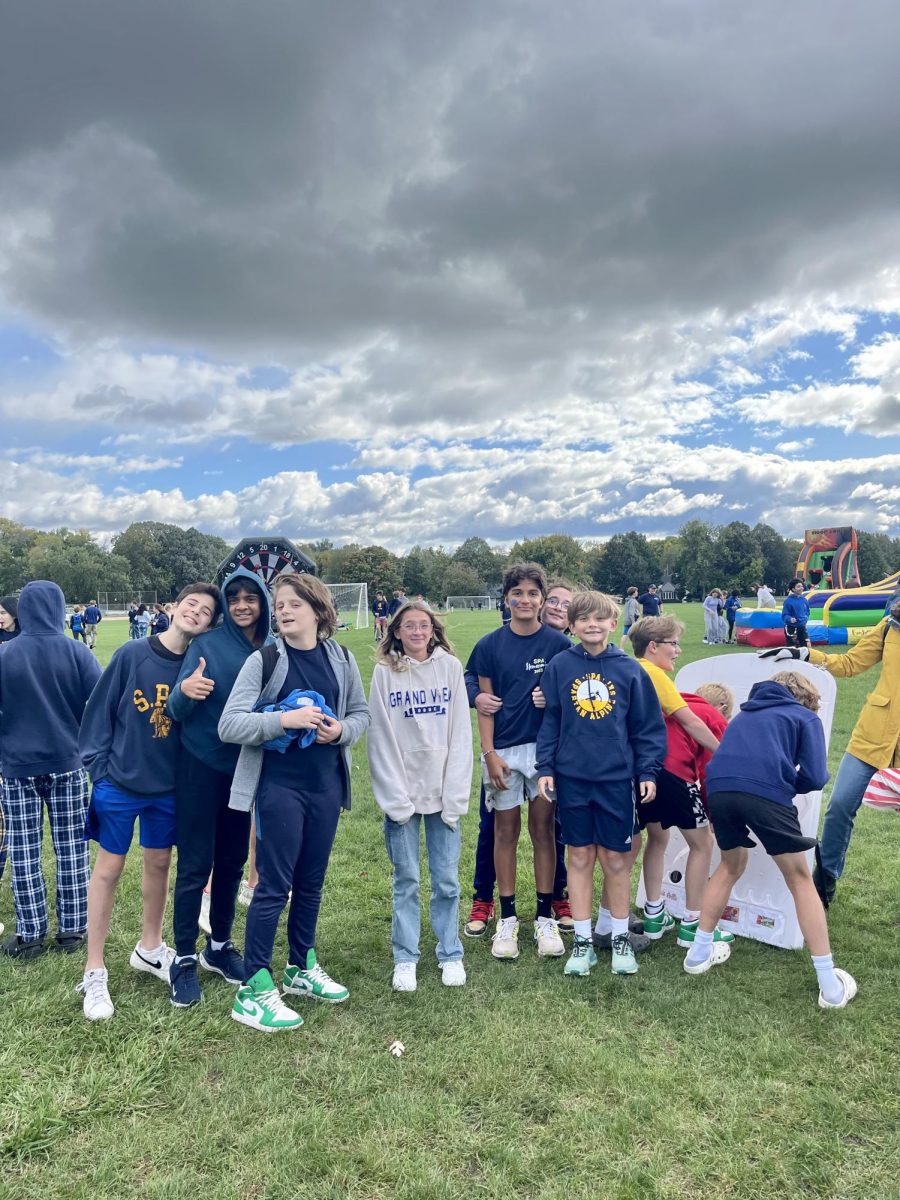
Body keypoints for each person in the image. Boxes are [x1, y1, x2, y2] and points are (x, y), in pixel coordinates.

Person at [219, 573, 368, 1033]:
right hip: (278, 789)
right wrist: (285, 719)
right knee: (273, 887)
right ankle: (254, 988)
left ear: (318, 611)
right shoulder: (263, 660)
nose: (283, 612)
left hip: (325, 786)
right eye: (279, 605)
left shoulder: (341, 658)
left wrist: (340, 730)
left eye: (293, 605)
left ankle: (301, 967)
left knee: (311, 882)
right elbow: (229, 724)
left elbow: (361, 714)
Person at [77, 584, 220, 1019]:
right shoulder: (132, 654)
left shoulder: (201, 666)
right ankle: (94, 970)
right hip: (119, 784)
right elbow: (97, 712)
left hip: (167, 789)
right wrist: (99, 772)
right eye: (190, 603)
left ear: (210, 625)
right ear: (175, 608)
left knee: (159, 865)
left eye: (206, 611)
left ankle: (150, 946)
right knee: (108, 869)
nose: (195, 611)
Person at [684, 671, 856, 1010]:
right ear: (808, 699)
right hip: (765, 794)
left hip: (718, 790)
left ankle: (697, 953)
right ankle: (829, 986)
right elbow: (817, 776)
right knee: (799, 877)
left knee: (729, 866)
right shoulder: (804, 717)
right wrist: (786, 783)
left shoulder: (744, 714)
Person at [535, 591, 666, 977]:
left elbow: (647, 728)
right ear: (572, 626)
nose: (592, 625)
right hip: (573, 780)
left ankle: (620, 939)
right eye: (583, 619)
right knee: (578, 857)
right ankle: (582, 942)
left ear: (613, 623)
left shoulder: (629, 669)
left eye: (600, 618)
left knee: (614, 859)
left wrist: (647, 772)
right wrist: (546, 766)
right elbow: (552, 721)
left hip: (616, 781)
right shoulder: (560, 666)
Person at [165, 569, 272, 1007]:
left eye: (251, 598)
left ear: (263, 602)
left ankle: (220, 946)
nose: (243, 605)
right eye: (235, 598)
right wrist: (186, 691)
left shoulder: (272, 650)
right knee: (195, 865)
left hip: (244, 771)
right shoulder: (206, 646)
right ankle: (185, 958)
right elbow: (175, 708)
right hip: (200, 768)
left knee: (232, 861)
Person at [760, 597, 900, 906]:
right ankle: (826, 879)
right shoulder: (891, 625)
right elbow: (850, 663)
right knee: (839, 806)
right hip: (873, 735)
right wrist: (805, 654)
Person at [467, 563, 570, 961]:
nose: (525, 600)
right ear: (506, 598)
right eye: (518, 593)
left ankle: (544, 916)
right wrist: (489, 754)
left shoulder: (559, 646)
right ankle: (507, 918)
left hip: (545, 755)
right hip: (504, 753)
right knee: (504, 833)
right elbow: (486, 704)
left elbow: (570, 696)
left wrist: (553, 698)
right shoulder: (490, 646)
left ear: (542, 601)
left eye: (532, 594)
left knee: (544, 832)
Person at [368, 602, 471, 992]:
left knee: (446, 880)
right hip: (403, 793)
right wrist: (395, 797)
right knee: (406, 879)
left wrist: (455, 793)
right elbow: (380, 737)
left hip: (443, 792)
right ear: (396, 631)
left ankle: (450, 952)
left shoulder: (450, 668)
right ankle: (405, 957)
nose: (416, 632)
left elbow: (461, 733)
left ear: (432, 630)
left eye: (423, 625)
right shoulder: (384, 673)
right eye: (408, 626)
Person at [0, 581, 102, 958]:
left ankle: (30, 935)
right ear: (60, 609)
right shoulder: (76, 651)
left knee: (25, 851)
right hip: (68, 762)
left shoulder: (5, 653)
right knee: (72, 848)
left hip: (16, 766)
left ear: (22, 610)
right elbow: (103, 702)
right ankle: (73, 931)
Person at [629, 617, 723, 941]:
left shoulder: (628, 669)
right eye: (673, 643)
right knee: (702, 843)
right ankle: (694, 924)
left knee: (658, 839)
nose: (678, 650)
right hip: (669, 771)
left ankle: (654, 915)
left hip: (640, 773)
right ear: (653, 646)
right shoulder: (654, 674)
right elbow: (692, 723)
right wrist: (724, 751)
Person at [782, 578, 810, 648]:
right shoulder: (788, 601)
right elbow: (784, 615)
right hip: (791, 628)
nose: (801, 588)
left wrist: (805, 618)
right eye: (798, 586)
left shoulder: (804, 600)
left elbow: (807, 611)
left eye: (802, 586)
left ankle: (806, 658)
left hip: (802, 627)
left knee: (807, 645)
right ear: (793, 589)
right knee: (793, 648)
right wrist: (790, 619)